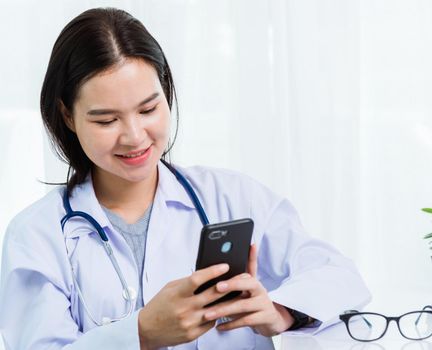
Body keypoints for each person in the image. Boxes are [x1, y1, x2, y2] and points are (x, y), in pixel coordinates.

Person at [0, 7, 370, 350]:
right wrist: (141, 333)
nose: (134, 135)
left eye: (148, 108)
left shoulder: (232, 197)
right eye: (106, 120)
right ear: (67, 115)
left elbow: (339, 276)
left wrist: (281, 311)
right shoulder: (37, 236)